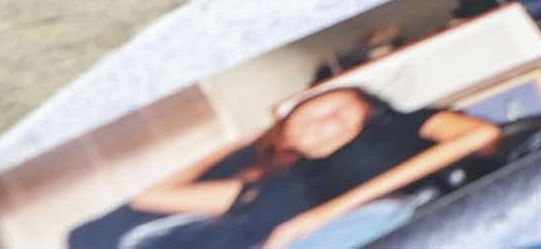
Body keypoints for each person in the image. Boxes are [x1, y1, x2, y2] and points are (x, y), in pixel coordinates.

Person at [87, 85, 500, 248]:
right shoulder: (271, 183)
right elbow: (151, 197)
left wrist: (325, 213)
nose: (326, 121)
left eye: (338, 110)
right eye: (306, 121)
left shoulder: (398, 130)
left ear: (368, 115)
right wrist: (240, 141)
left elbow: (479, 135)